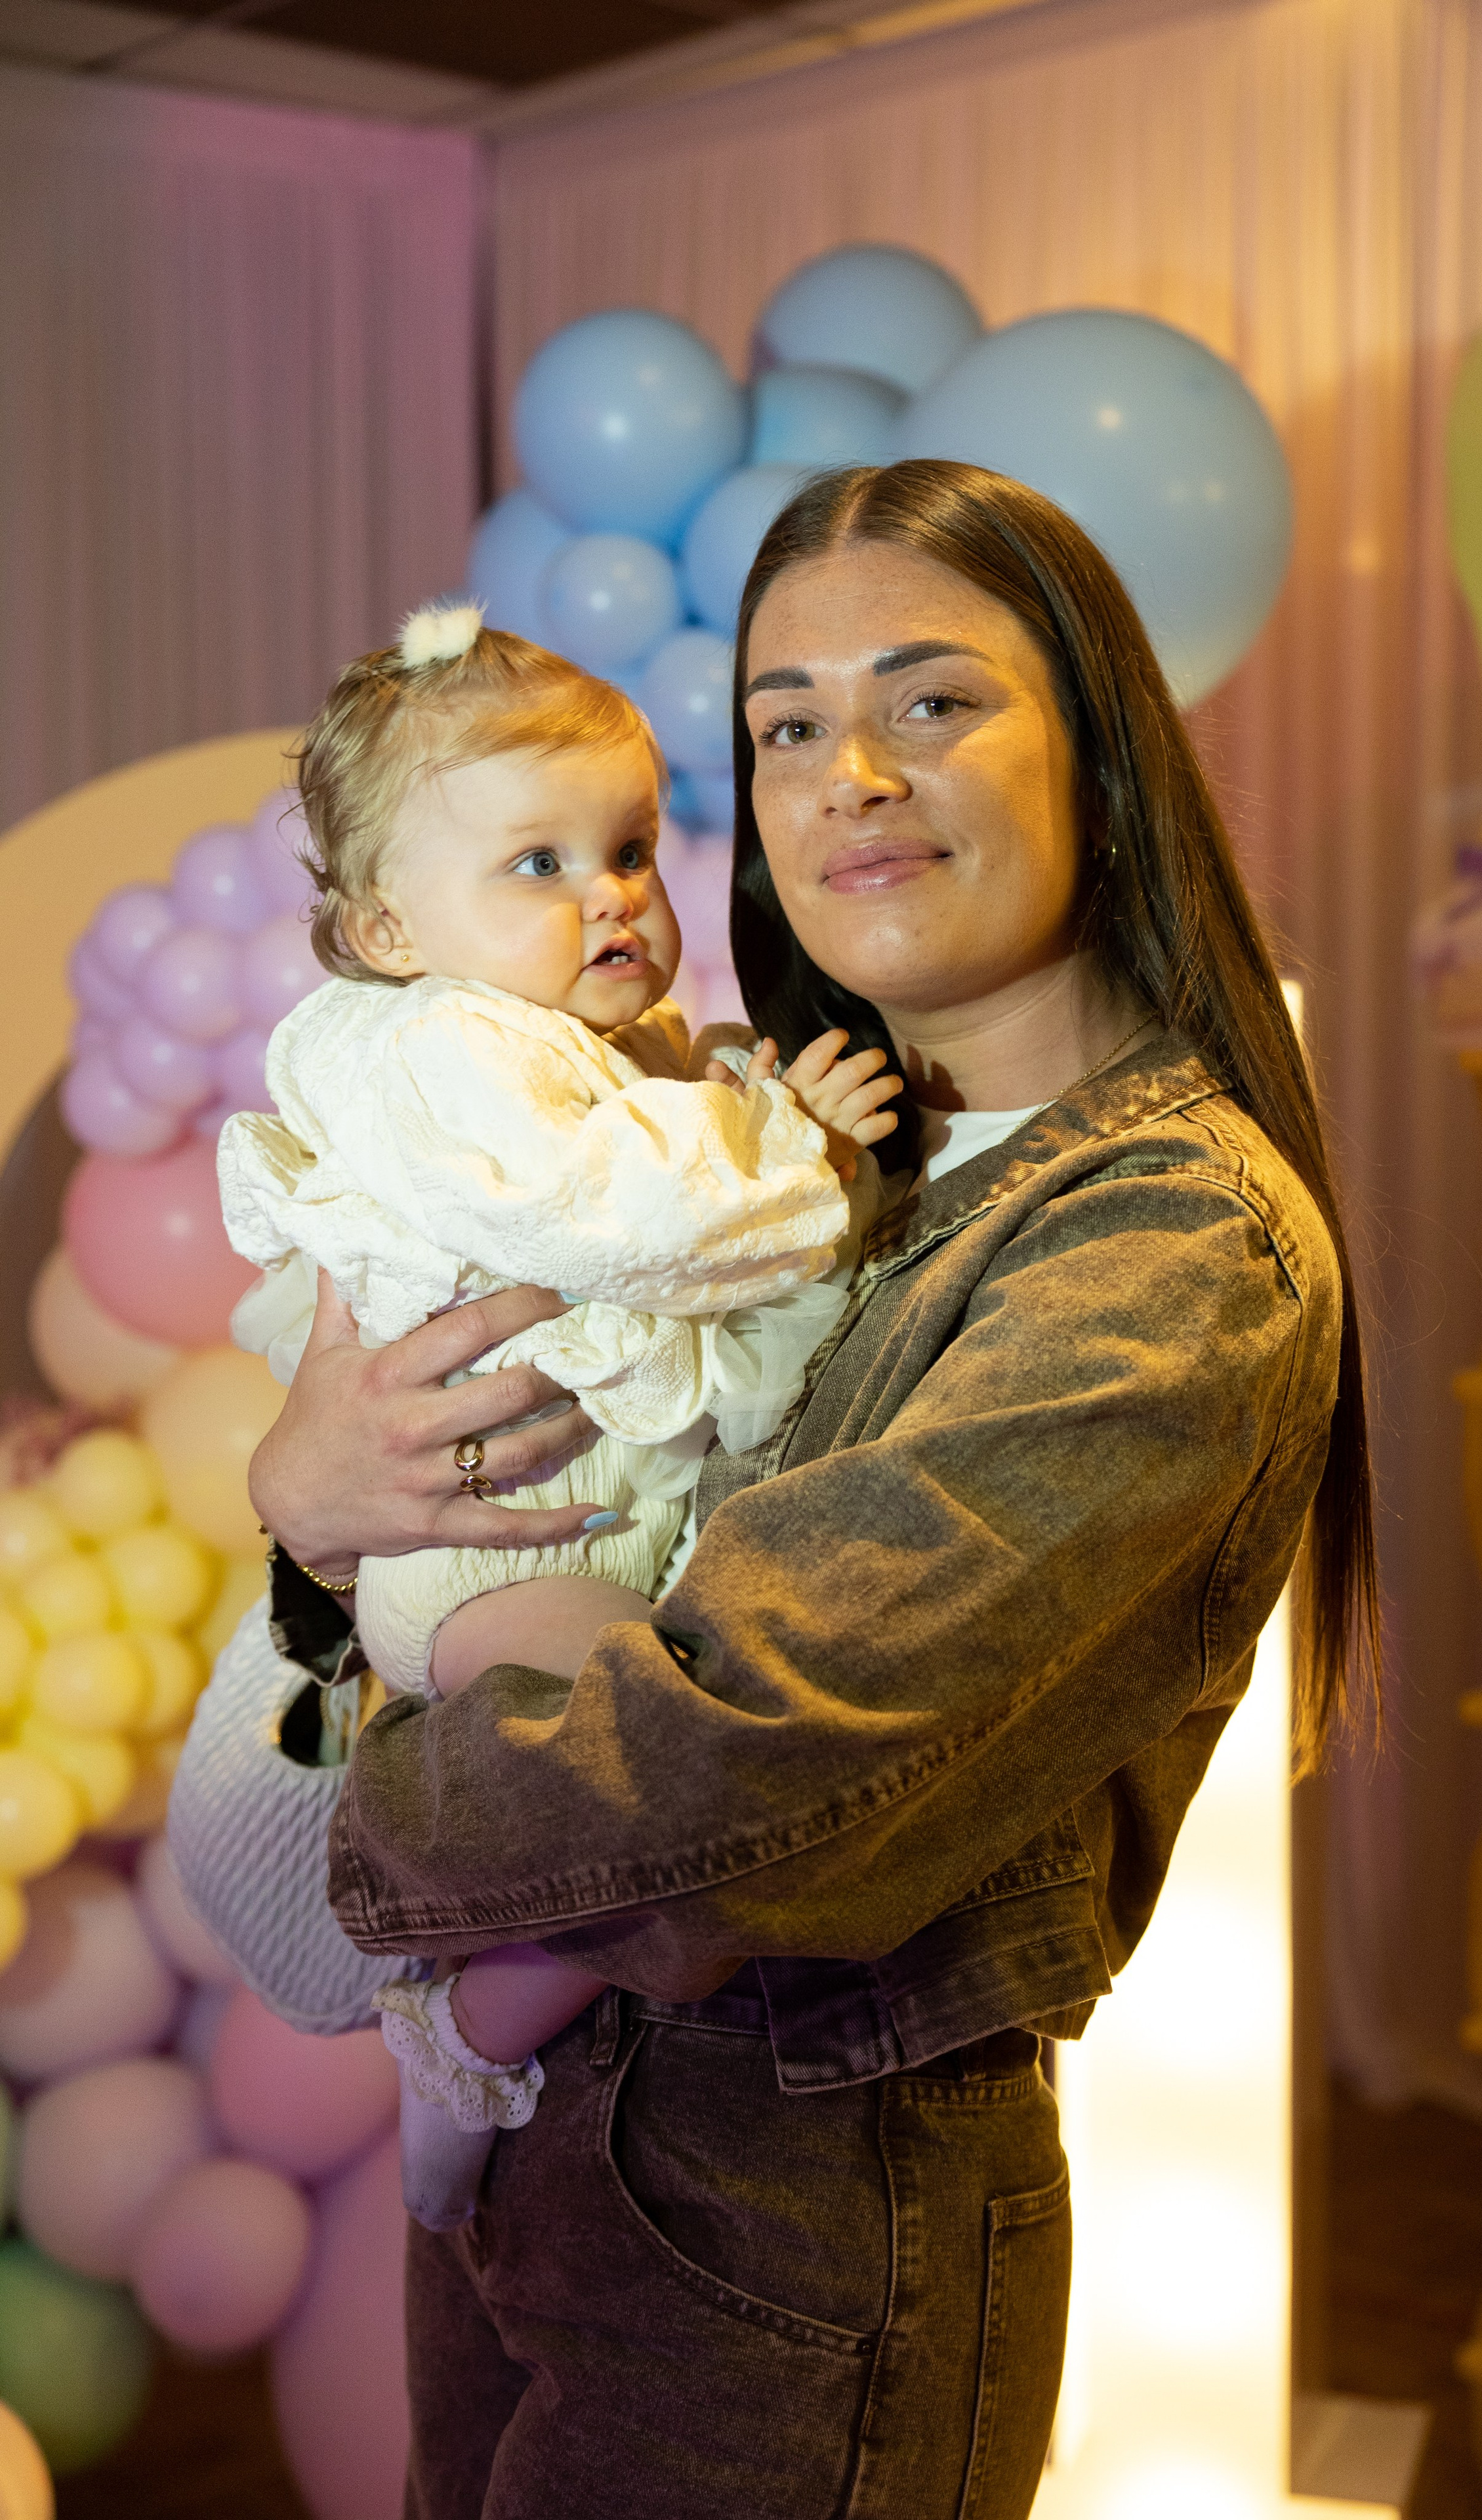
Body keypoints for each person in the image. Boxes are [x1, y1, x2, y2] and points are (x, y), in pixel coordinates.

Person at [216, 459, 1376, 2520]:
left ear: (1100, 748)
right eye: (784, 724)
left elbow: (739, 1767)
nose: (850, 771)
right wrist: (313, 1522)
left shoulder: (1165, 1244)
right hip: (539, 2142)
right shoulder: (763, 1143)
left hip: (788, 2228)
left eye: (934, 702)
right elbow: (474, 1535)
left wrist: (347, 1842)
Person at [215, 604, 898, 2229]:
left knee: (644, 1793)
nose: (611, 895)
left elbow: (715, 1287)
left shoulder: (594, 1045)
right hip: (488, 1555)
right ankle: (457, 2045)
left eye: (629, 848)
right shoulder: (448, 1051)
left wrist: (746, 1119)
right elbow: (622, 1217)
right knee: (653, 1791)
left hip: (580, 1523)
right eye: (536, 864)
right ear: (389, 929)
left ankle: (475, 2005)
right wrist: (792, 1153)